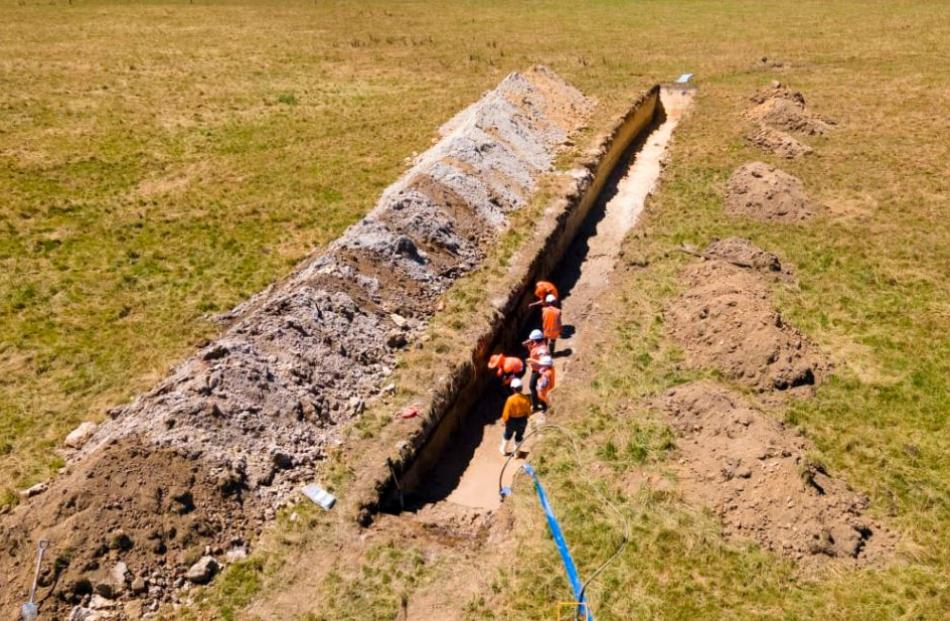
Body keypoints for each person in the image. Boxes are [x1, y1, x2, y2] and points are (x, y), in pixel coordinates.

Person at [499, 378, 532, 455]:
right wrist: (527, 416)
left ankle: (503, 450)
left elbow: (506, 412)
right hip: (522, 420)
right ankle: (516, 453)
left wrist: (504, 420)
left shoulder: (510, 399)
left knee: (507, 434)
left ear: (513, 389)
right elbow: (528, 411)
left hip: (511, 421)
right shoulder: (526, 398)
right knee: (519, 436)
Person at [522, 329, 550, 409]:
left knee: (534, 387)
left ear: (535, 340)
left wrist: (531, 360)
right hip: (536, 370)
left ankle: (540, 405)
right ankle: (538, 404)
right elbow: (533, 351)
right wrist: (529, 345)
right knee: (534, 387)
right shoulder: (538, 345)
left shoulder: (542, 350)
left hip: (540, 371)